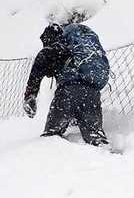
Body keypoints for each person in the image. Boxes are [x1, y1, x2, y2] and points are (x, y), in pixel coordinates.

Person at [23, 10, 112, 147]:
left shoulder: (54, 48)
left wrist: (30, 95)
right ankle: (109, 157)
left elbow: (39, 66)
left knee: (51, 137)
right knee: (96, 137)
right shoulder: (77, 49)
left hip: (68, 93)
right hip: (92, 93)